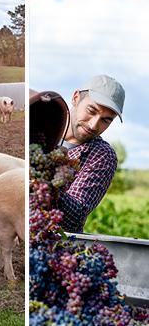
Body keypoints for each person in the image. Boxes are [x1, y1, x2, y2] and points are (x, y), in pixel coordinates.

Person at [58, 74, 125, 233]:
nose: (94, 125)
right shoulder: (40, 127)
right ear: (75, 98)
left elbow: (75, 214)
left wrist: (43, 185)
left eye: (106, 120)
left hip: (52, 246)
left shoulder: (102, 155)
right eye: (91, 110)